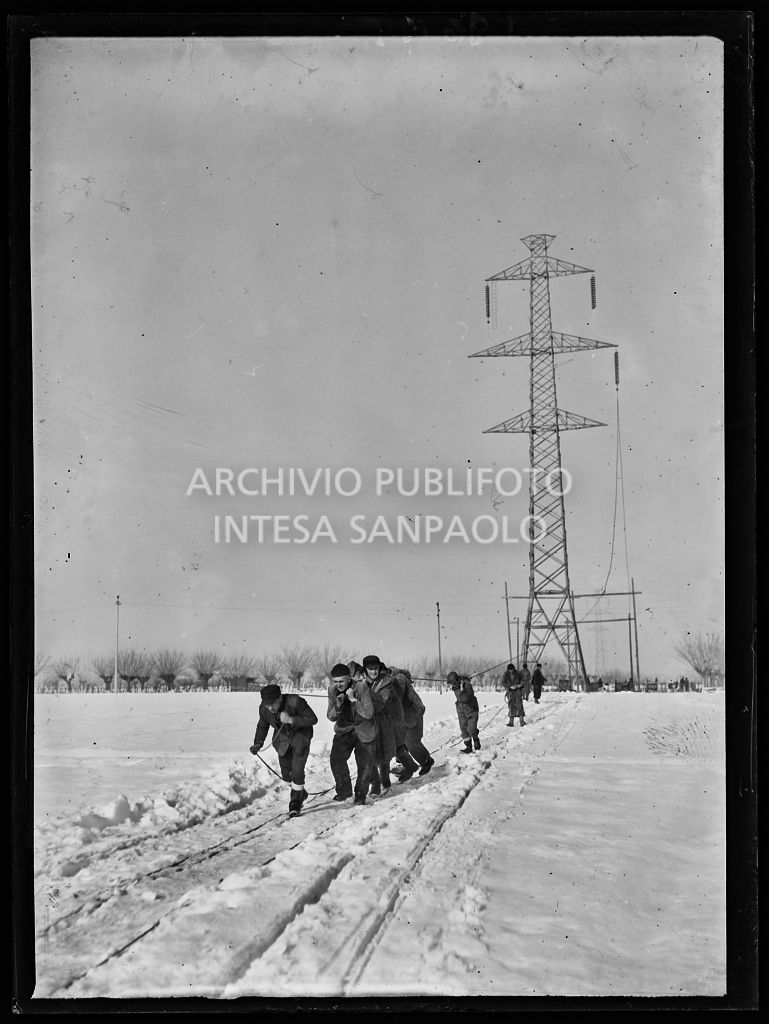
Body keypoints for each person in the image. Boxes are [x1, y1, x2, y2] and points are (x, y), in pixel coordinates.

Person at [250, 682, 318, 816]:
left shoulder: (295, 701)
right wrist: (258, 743)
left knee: (297, 770)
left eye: (272, 703)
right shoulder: (264, 709)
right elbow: (262, 726)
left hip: (300, 736)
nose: (270, 707)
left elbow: (312, 719)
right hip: (282, 740)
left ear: (280, 698)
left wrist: (291, 720)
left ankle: (295, 804)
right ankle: (300, 793)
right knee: (287, 775)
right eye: (267, 704)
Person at [327, 662, 377, 805]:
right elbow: (330, 717)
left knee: (364, 764)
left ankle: (360, 795)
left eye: (341, 681)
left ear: (349, 678)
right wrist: (338, 705)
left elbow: (368, 713)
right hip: (344, 730)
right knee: (336, 759)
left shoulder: (361, 687)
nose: (338, 685)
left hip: (364, 730)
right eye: (335, 681)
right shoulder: (332, 690)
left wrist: (353, 700)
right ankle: (344, 792)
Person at [361, 655, 398, 795]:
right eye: (370, 669)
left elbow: (380, 703)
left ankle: (385, 776)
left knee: (383, 753)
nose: (373, 672)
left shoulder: (386, 682)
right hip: (366, 722)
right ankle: (375, 784)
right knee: (369, 754)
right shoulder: (359, 682)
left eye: (375, 669)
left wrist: (364, 689)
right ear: (365, 669)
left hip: (383, 721)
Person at [391, 667, 434, 777]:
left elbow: (398, 696)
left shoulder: (399, 679)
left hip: (413, 715)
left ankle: (426, 761)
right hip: (403, 717)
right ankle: (403, 765)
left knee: (411, 742)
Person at [448, 670, 480, 753]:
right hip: (461, 709)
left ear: (457, 680)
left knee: (471, 729)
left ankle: (476, 739)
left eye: (453, 683)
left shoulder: (467, 685)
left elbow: (466, 698)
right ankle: (468, 746)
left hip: (471, 708)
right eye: (451, 684)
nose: (452, 685)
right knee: (463, 729)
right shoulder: (456, 685)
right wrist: (456, 687)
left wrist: (461, 688)